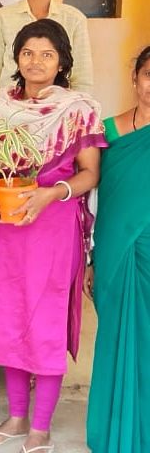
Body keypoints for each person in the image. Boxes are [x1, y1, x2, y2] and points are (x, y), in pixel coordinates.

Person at [0, 19, 105, 453]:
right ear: (16, 58)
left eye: (47, 54)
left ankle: (41, 427)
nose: (36, 61)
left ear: (62, 62)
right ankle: (17, 418)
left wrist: (51, 193)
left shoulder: (79, 109)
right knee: (10, 316)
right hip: (7, 226)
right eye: (28, 52)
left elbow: (90, 174)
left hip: (53, 226)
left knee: (45, 320)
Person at [86, 46, 150, 452]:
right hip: (115, 253)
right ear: (135, 78)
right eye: (149, 75)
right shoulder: (107, 132)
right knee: (113, 338)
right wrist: (91, 258)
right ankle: (113, 433)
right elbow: (94, 201)